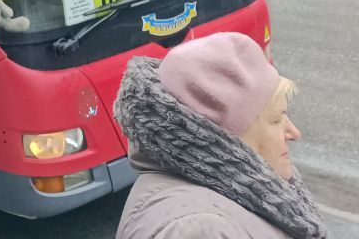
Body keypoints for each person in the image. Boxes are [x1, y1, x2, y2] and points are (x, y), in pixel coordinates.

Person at [115, 31, 326, 239]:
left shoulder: (228, 199)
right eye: (276, 119)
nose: (294, 133)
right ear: (229, 136)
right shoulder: (199, 230)